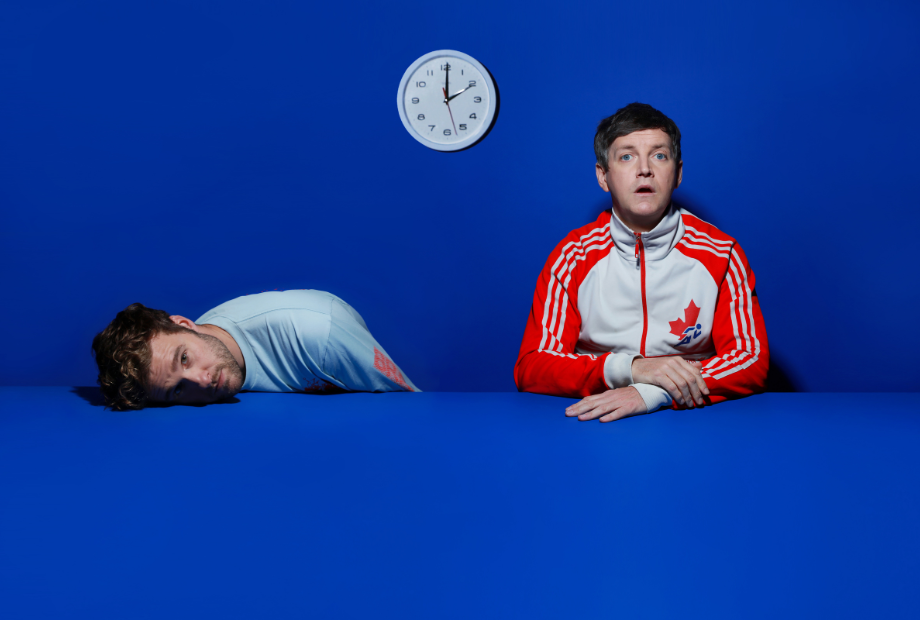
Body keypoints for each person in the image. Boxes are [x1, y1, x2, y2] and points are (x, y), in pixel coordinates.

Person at [514, 102, 768, 422]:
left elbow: (750, 359)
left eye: (659, 155)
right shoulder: (572, 256)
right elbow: (534, 365)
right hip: (595, 419)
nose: (644, 169)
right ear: (603, 176)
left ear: (677, 173)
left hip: (693, 420)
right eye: (627, 156)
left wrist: (653, 391)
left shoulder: (722, 252)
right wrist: (632, 369)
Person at [93, 289, 418, 410]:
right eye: (177, 391)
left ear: (184, 323)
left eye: (185, 358)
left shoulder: (319, 337)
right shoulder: (205, 336)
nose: (201, 381)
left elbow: (409, 409)